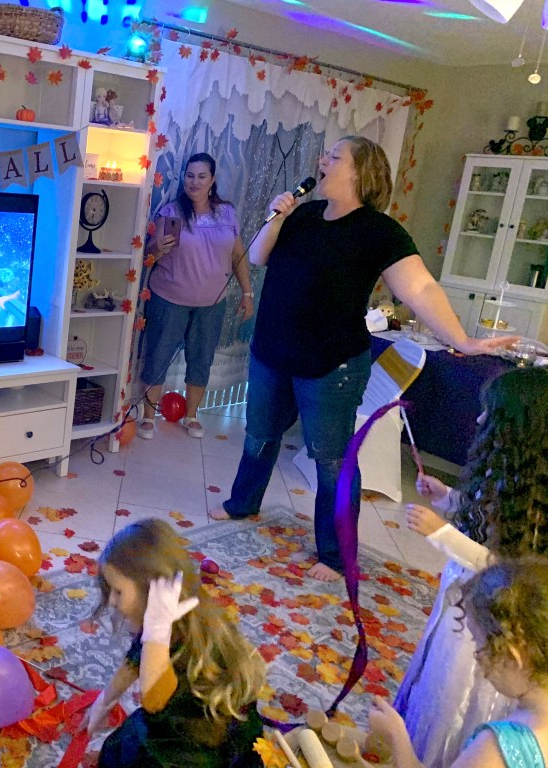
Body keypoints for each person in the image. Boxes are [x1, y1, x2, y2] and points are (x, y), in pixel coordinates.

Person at [208, 135, 516, 582]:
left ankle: (335, 556)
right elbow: (258, 256)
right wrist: (279, 217)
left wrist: (462, 341)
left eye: (334, 156)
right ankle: (243, 504)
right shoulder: (305, 214)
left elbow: (421, 288)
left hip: (331, 366)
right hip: (272, 352)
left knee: (333, 462)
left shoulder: (379, 232)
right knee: (259, 436)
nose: (322, 160)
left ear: (360, 172)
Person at [392, 367, 548, 768]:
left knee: (453, 692)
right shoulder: (512, 474)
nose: (478, 420)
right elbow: (492, 514)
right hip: (463, 603)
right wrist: (448, 497)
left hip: (486, 617)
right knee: (433, 676)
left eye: (488, 413)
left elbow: (509, 572)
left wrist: (443, 534)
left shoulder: (539, 506)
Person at [86, 518, 267, 768]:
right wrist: (104, 702)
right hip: (176, 720)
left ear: (150, 591)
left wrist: (157, 631)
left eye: (118, 592)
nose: (112, 602)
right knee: (119, 747)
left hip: (199, 742)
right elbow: (134, 662)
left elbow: (154, 699)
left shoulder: (176, 634)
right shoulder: (162, 619)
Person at [370, 557, 548, 768]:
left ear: (512, 659)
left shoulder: (495, 749)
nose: (477, 657)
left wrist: (397, 736)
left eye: (479, 645)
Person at [138, 152, 254, 440]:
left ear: (212, 180)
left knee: (201, 360)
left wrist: (247, 292)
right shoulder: (171, 212)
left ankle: (191, 416)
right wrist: (157, 249)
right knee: (158, 356)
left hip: (212, 304)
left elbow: (237, 255)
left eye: (202, 176)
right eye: (190, 176)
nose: (195, 182)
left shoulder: (226, 213)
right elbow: (149, 255)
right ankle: (148, 417)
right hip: (169, 299)